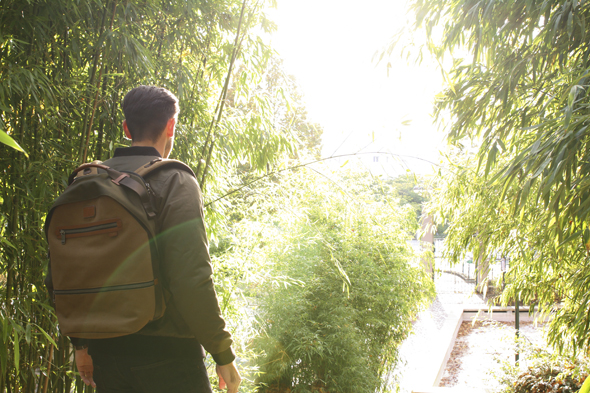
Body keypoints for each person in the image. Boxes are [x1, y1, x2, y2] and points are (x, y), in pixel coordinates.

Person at [49, 86, 241, 393]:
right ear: (171, 125)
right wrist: (222, 352)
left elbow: (62, 274)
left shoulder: (89, 180)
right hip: (168, 354)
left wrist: (81, 344)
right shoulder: (175, 179)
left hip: (105, 354)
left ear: (126, 128)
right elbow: (191, 278)